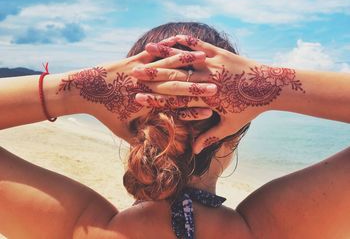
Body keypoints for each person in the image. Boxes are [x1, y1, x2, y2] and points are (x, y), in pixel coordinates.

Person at [0, 22, 349, 239]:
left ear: (133, 130)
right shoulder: (275, 229)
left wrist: (80, 91)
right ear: (237, 133)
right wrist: (272, 86)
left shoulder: (79, 229)